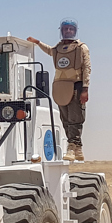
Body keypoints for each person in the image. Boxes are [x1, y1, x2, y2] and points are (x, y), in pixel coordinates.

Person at [27, 18, 91, 162]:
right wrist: (37, 43)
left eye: (71, 29)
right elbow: (49, 51)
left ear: (75, 31)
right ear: (61, 31)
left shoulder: (81, 47)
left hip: (76, 85)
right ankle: (77, 148)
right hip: (60, 87)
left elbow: (87, 68)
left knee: (76, 118)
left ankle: (72, 146)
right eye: (65, 29)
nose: (68, 31)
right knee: (65, 118)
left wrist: (85, 88)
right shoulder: (58, 49)